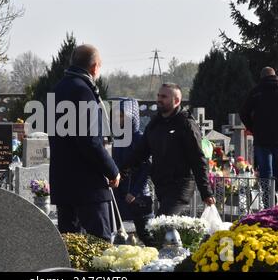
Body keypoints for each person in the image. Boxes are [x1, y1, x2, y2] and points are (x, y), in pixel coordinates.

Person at [49, 44, 120, 241]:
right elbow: (89, 141)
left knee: (70, 247)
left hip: (63, 182)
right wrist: (112, 170)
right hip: (87, 185)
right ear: (95, 67)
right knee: (100, 246)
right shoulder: (83, 91)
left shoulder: (57, 90)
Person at [120, 83, 215, 216]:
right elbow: (140, 153)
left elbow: (198, 158)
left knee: (163, 224)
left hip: (180, 185)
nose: (159, 99)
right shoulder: (155, 123)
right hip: (161, 185)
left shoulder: (186, 124)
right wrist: (119, 172)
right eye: (158, 95)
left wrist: (206, 192)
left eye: (164, 96)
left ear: (176, 101)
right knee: (167, 229)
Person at [240, 66, 278, 194]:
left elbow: (243, 112)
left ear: (262, 78)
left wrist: (252, 128)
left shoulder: (256, 92)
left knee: (265, 174)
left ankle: (267, 206)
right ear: (275, 76)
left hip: (262, 138)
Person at [111, 97, 153, 243]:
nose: (119, 119)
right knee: (121, 237)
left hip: (138, 195)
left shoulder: (139, 138)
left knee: (146, 235)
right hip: (120, 193)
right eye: (116, 115)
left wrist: (134, 192)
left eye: (122, 115)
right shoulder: (118, 138)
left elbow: (146, 168)